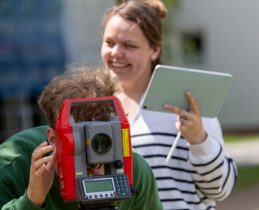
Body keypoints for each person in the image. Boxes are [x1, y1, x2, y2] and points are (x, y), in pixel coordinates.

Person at [101, 1, 237, 209]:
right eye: (109, 42)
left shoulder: (188, 103)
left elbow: (221, 189)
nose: (116, 53)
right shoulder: (96, 108)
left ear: (154, 51)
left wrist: (199, 141)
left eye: (129, 46)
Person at [0, 65, 163, 210]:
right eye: (81, 141)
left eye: (103, 140)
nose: (95, 154)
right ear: (54, 139)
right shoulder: (10, 165)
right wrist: (30, 201)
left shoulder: (133, 170)